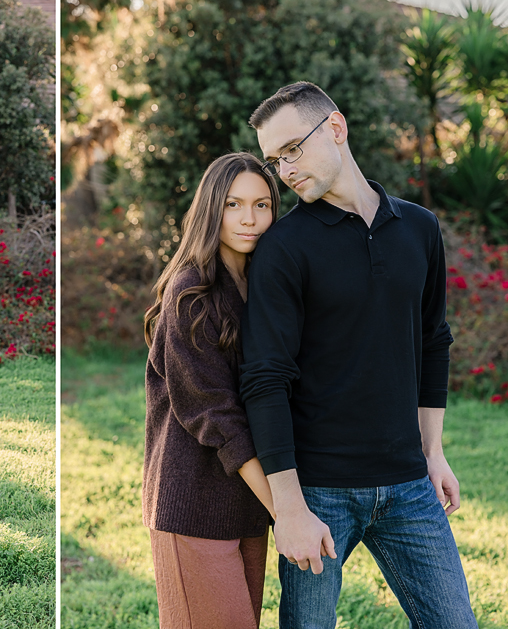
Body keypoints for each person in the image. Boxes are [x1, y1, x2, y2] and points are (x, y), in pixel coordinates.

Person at [240, 81, 477, 628]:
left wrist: (433, 452)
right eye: (276, 159)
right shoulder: (283, 248)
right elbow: (265, 379)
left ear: (337, 128)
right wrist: (290, 509)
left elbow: (433, 339)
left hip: (410, 485)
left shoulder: (419, 228)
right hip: (318, 490)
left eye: (292, 149)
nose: (286, 169)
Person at [142, 152, 281, 629]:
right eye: (233, 205)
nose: (250, 219)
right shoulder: (190, 296)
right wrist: (286, 508)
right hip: (194, 506)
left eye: (262, 205)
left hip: (247, 508)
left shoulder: (262, 287)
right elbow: (216, 417)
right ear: (210, 210)